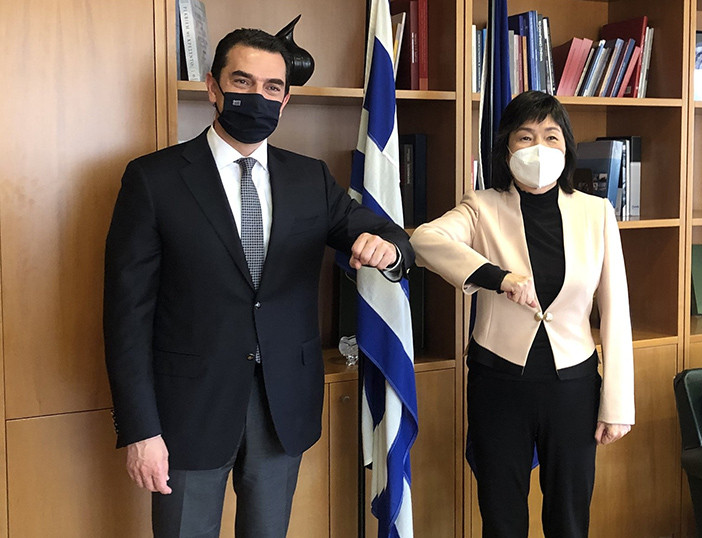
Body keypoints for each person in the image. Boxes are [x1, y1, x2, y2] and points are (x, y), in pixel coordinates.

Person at [103, 28, 413, 537]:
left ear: (285, 100)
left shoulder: (310, 178)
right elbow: (125, 318)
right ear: (213, 87)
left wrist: (390, 249)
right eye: (242, 81)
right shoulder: (153, 180)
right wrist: (140, 430)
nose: (258, 96)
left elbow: (389, 235)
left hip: (281, 406)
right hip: (188, 412)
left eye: (273, 87)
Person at [409, 90, 634, 537]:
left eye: (551, 137)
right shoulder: (482, 206)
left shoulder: (597, 212)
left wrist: (618, 403)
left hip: (573, 385)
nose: (538, 148)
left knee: (569, 516)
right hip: (499, 382)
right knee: (501, 515)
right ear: (507, 147)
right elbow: (424, 240)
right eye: (525, 137)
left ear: (566, 146)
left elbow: (615, 310)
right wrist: (498, 277)